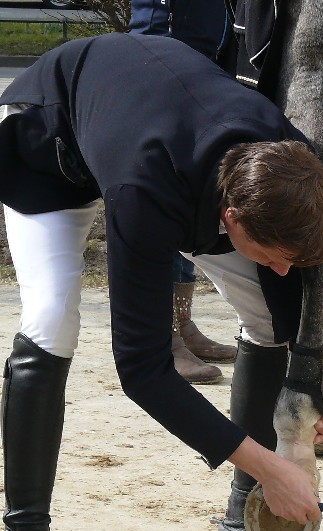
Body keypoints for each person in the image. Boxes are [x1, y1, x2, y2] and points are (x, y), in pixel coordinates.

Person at [0, 32, 323, 531]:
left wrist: (317, 378)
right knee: (52, 322)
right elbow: (142, 370)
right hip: (57, 144)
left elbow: (299, 288)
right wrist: (268, 465)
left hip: (172, 137)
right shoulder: (145, 189)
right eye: (276, 256)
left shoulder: (288, 161)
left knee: (268, 317)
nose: (284, 268)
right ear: (232, 219)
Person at [129, 0, 238, 384]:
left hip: (209, 39)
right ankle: (164, 336)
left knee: (194, 188)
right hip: (169, 38)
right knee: (166, 191)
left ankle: (182, 324)